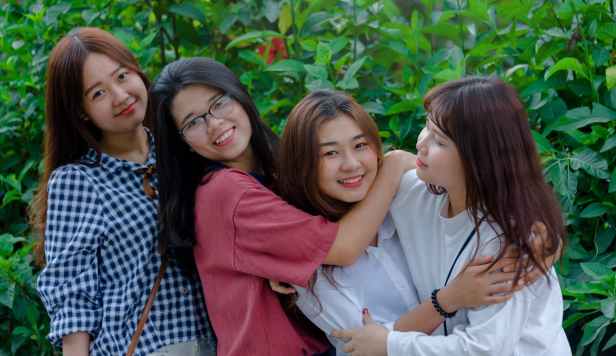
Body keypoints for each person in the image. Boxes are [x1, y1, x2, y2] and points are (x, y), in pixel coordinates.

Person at [150, 57, 414, 356]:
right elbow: (343, 247)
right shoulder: (225, 192)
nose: (215, 124)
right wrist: (393, 167)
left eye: (219, 103)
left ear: (239, 95)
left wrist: (289, 267)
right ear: (182, 140)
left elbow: (316, 234)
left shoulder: (271, 171)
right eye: (193, 122)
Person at [274, 90, 548, 355]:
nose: (351, 164)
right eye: (330, 153)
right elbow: (364, 345)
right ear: (303, 164)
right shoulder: (308, 264)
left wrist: (545, 234)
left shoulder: (406, 196)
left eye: (360, 145)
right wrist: (448, 299)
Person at [333, 76, 571, 356]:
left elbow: (484, 350)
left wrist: (389, 344)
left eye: (440, 141)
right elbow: (341, 223)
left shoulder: (507, 245)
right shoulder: (415, 194)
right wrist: (287, 259)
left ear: (479, 158)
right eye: (426, 126)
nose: (422, 144)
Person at [31, 28, 215, 356]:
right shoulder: (79, 182)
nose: (120, 96)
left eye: (121, 76)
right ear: (81, 111)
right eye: (98, 93)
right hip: (146, 347)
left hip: (220, 340)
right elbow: (71, 296)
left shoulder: (184, 147)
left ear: (136, 70)